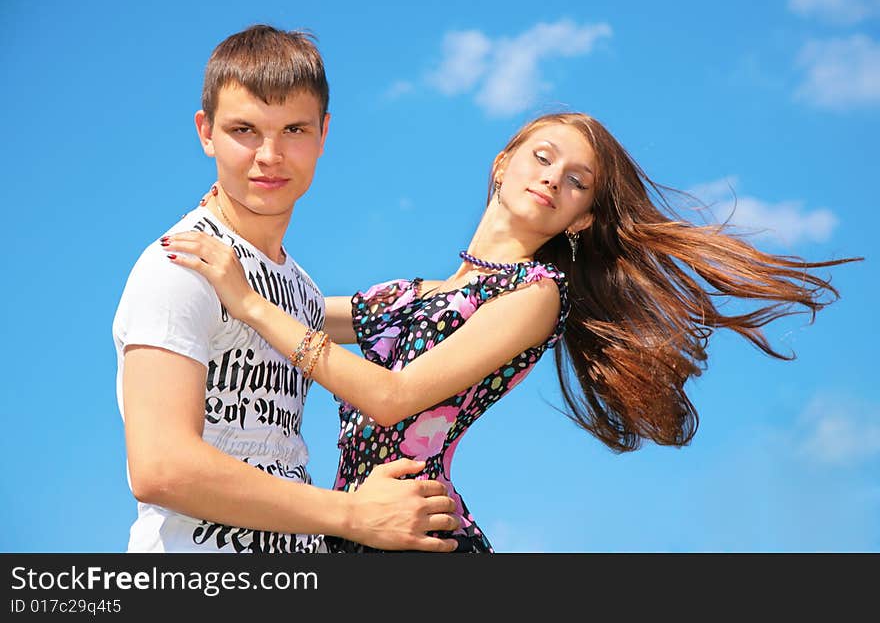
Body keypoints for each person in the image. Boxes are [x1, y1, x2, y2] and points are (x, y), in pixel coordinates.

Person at [161, 111, 860, 553]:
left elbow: (390, 396)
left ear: (581, 219)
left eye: (578, 180)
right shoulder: (408, 295)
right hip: (357, 528)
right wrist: (231, 225)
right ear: (503, 164)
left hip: (422, 538)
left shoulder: (535, 297)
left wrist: (248, 302)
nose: (554, 178)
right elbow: (296, 301)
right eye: (543, 156)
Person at [112, 24, 460, 553]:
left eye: (293, 130)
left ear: (324, 135)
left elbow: (396, 308)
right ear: (205, 133)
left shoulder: (299, 289)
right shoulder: (182, 264)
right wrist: (352, 513)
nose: (270, 155)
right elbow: (161, 466)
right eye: (244, 130)